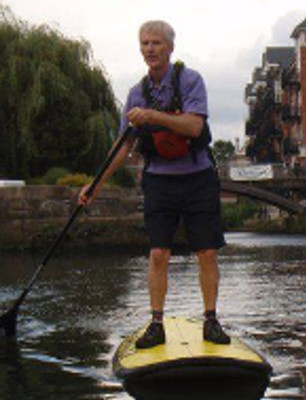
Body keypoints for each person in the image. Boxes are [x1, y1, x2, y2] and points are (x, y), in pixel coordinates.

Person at [79, 20, 230, 348]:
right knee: (158, 253)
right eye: (145, 43)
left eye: (156, 43)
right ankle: (156, 323)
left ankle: (211, 321)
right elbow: (122, 147)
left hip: (198, 178)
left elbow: (192, 126)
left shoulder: (191, 80)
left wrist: (153, 117)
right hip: (159, 181)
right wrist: (95, 185)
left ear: (170, 48)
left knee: (205, 252)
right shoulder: (136, 92)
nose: (150, 49)